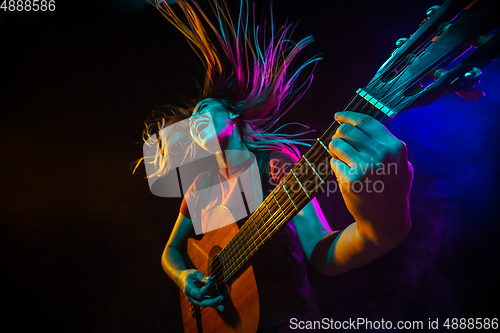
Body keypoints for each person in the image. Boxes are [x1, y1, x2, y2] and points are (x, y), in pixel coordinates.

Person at [137, 0, 413, 330]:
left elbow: (320, 252)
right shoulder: (199, 186)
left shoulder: (275, 163)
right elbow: (171, 252)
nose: (195, 119)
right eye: (192, 118)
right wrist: (185, 277)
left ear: (232, 115)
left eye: (204, 108)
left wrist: (379, 230)